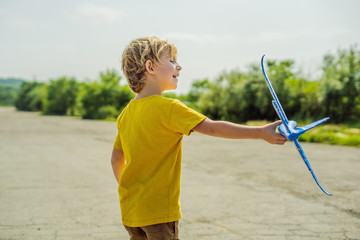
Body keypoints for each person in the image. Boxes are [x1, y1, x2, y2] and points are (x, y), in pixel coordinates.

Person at [111, 36, 287, 240]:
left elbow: (116, 159)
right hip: (158, 212)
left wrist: (129, 190)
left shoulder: (126, 113)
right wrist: (259, 132)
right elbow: (212, 128)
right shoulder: (169, 108)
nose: (179, 66)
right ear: (150, 66)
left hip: (131, 210)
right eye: (172, 61)